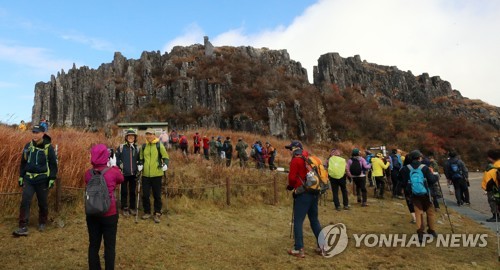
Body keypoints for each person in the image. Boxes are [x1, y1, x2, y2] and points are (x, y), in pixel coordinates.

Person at [13, 125, 58, 236]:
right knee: (25, 201)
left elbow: (53, 164)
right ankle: (23, 226)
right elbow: (23, 162)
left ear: (43, 134)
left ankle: (42, 222)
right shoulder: (28, 146)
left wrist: (52, 178)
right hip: (29, 179)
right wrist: (21, 176)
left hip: (42, 179)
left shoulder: (48, 147)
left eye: (37, 132)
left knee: (42, 203)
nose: (35, 134)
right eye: (33, 132)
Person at [85, 144, 124, 270]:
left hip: (92, 212)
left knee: (93, 245)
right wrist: (114, 165)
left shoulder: (88, 173)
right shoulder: (112, 172)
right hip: (109, 213)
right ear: (106, 156)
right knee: (109, 246)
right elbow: (121, 179)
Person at [285, 140, 322, 258]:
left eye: (291, 149)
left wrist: (291, 187)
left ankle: (299, 248)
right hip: (314, 192)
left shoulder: (296, 160)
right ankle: (323, 246)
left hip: (302, 193)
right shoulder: (310, 159)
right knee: (314, 220)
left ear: (295, 149)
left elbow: (291, 178)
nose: (290, 151)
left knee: (298, 221)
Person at [399, 150, 438, 242]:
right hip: (426, 194)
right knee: (430, 212)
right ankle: (431, 230)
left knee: (418, 212)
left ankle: (420, 233)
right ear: (419, 158)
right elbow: (432, 180)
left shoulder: (405, 169)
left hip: (413, 194)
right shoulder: (424, 168)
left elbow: (401, 182)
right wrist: (435, 176)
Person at [139, 128, 169, 223]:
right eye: (147, 134)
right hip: (146, 175)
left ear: (154, 135)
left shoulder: (159, 145)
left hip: (157, 174)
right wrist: (140, 164)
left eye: (150, 134)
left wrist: (165, 165)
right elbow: (141, 158)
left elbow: (165, 157)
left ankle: (157, 213)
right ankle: (147, 212)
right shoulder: (143, 146)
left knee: (157, 195)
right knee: (146, 195)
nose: (148, 136)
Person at [116, 128, 140, 217]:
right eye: (129, 136)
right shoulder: (121, 147)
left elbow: (140, 159)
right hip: (124, 173)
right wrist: (119, 164)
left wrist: (139, 166)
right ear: (126, 137)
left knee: (133, 191)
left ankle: (132, 207)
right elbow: (117, 158)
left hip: (134, 174)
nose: (131, 137)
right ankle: (124, 208)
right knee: (124, 191)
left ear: (134, 138)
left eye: (132, 136)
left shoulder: (137, 148)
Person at [481, 149, 500, 222]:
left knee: (493, 201)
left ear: (490, 158)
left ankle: (495, 216)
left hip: (494, 189)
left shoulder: (492, 168)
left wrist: (486, 189)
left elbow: (487, 182)